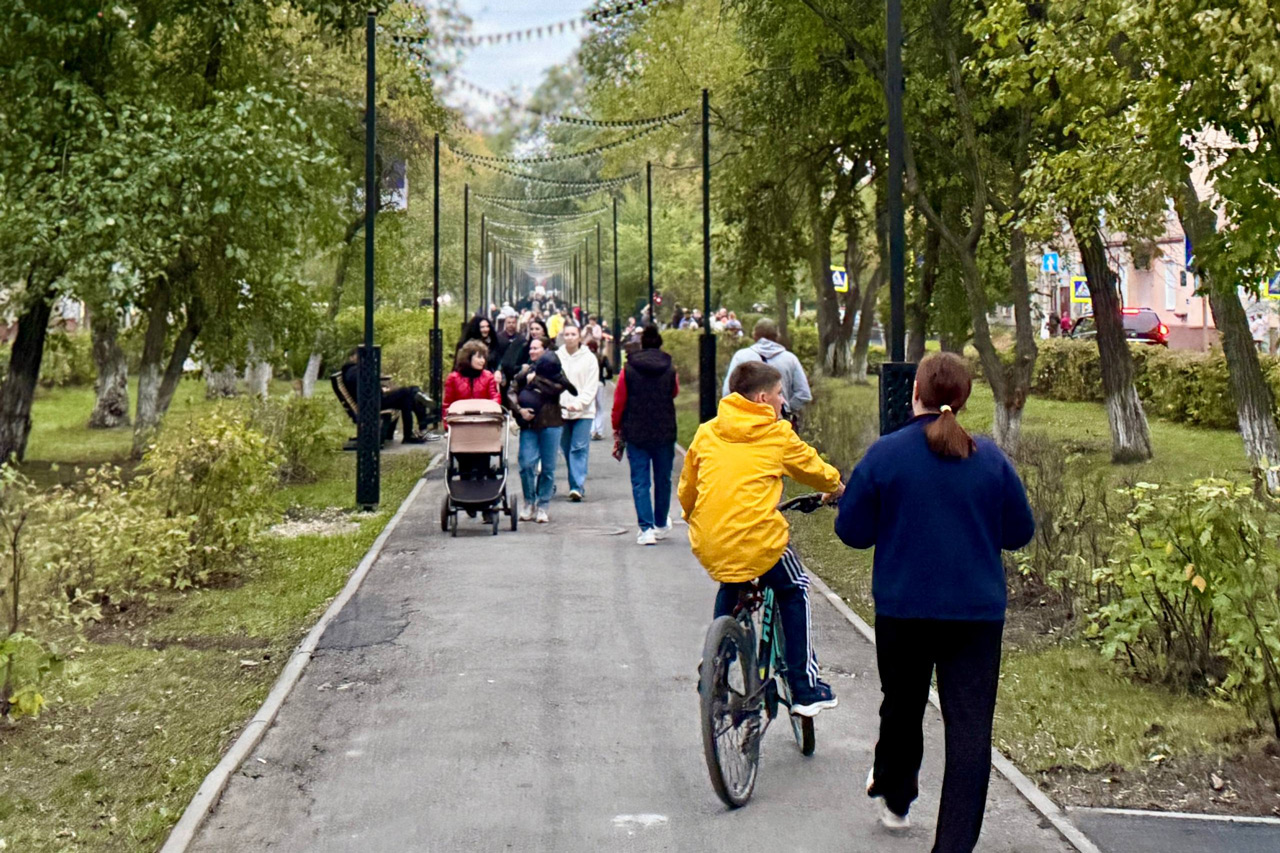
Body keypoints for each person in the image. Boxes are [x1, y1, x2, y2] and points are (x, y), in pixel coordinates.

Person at [834, 353, 1034, 845]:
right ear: (963, 399)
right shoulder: (989, 459)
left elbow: (853, 532)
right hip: (976, 615)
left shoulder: (886, 455)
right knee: (970, 734)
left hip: (904, 609)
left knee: (902, 703)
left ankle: (898, 798)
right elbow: (1019, 532)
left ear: (915, 391)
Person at [678, 360, 844, 715]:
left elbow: (688, 489)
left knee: (732, 582)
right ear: (764, 397)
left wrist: (694, 516)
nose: (784, 402)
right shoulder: (776, 434)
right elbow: (814, 469)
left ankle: (715, 669)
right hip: (758, 540)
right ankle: (804, 687)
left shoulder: (707, 432)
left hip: (710, 539)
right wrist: (837, 487)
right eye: (781, 394)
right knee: (795, 586)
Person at [613, 325, 678, 545]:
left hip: (636, 429)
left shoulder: (628, 369)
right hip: (664, 428)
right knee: (663, 478)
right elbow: (675, 391)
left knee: (640, 481)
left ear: (642, 344)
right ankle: (660, 521)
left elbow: (620, 400)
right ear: (660, 343)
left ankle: (646, 528)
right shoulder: (669, 367)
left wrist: (616, 426)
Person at [508, 339, 577, 524]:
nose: (532, 351)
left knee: (548, 467)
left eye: (536, 348)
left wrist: (535, 380)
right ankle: (529, 501)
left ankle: (543, 504)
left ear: (545, 351)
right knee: (526, 463)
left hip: (551, 423)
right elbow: (511, 391)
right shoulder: (525, 372)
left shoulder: (555, 370)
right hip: (529, 425)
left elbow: (556, 389)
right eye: (530, 348)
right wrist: (519, 410)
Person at [722, 318, 813, 425]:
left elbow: (728, 392)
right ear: (777, 336)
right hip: (779, 422)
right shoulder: (790, 359)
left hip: (746, 422)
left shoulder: (741, 356)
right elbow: (804, 394)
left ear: (754, 335)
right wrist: (785, 408)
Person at [340, 349, 430, 444]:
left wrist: (382, 389)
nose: (362, 358)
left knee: (407, 399)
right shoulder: (354, 371)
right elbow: (366, 388)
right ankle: (419, 425)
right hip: (372, 404)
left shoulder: (355, 370)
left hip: (373, 400)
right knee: (407, 392)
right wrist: (382, 389)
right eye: (358, 356)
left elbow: (368, 387)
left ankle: (410, 434)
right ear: (351, 358)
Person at [555, 325, 600, 501]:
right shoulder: (557, 357)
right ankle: (573, 478)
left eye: (573, 334)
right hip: (562, 410)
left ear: (579, 337)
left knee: (579, 448)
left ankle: (577, 486)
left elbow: (591, 385)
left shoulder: (589, 359)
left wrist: (580, 403)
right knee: (566, 448)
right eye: (567, 334)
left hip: (584, 412)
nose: (570, 338)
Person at [443, 341, 500, 412]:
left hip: (484, 420)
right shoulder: (453, 378)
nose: (482, 361)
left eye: (484, 358)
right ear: (468, 358)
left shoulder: (488, 377)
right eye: (479, 357)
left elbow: (495, 400)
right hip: (459, 420)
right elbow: (447, 405)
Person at [585, 334, 612, 441]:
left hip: (588, 384)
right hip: (599, 383)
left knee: (591, 407)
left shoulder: (585, 358)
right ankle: (599, 431)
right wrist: (607, 377)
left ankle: (592, 431)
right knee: (600, 408)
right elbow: (609, 368)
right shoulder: (602, 357)